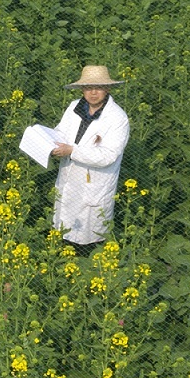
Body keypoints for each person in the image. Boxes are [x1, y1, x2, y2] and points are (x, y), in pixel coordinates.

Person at [49, 64, 131, 249]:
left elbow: (108, 156)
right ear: (82, 89)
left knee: (90, 236)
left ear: (107, 89)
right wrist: (51, 144)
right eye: (88, 88)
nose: (93, 93)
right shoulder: (73, 108)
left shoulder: (117, 118)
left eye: (99, 87)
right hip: (69, 177)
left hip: (94, 184)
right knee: (63, 230)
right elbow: (61, 131)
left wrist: (72, 151)